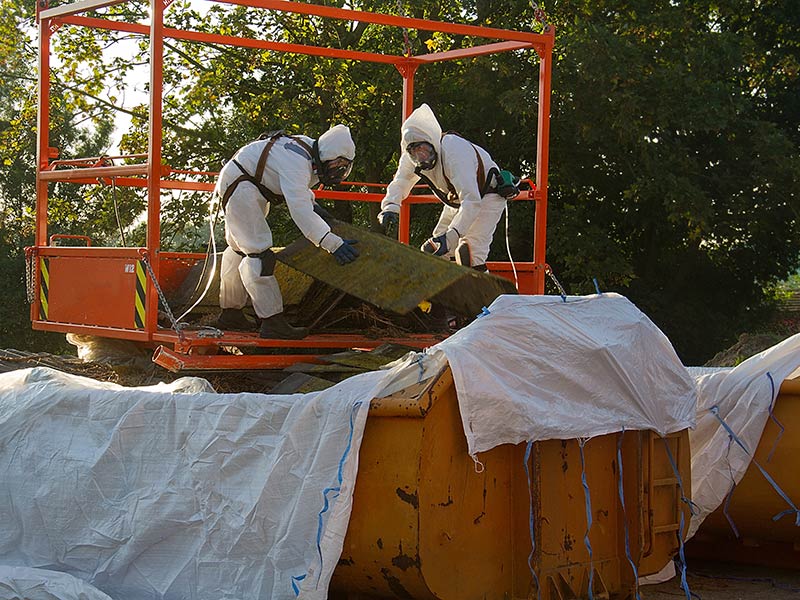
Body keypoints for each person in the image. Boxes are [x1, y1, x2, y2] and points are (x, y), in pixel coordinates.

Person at [214, 124, 359, 340]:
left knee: (238, 249)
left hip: (242, 183)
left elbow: (300, 190)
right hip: (242, 187)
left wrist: (319, 212)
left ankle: (231, 313)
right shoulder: (298, 162)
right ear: (327, 156)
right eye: (337, 165)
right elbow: (299, 210)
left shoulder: (307, 149)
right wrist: (332, 243)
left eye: (343, 167)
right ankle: (272, 323)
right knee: (258, 254)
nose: (338, 171)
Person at [377, 104, 517, 271]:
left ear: (433, 143)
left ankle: (486, 296)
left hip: (487, 194)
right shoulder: (411, 158)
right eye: (415, 153)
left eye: (424, 150)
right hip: (456, 199)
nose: (422, 157)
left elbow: (471, 200)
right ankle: (443, 296)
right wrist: (390, 207)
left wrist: (452, 235)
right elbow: (401, 181)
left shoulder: (454, 152)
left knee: (470, 254)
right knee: (435, 251)